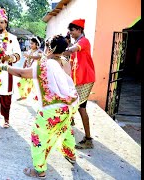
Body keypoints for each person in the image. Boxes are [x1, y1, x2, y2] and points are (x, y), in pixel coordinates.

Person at [0, 35, 79, 178]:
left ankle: (39, 170)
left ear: (51, 48)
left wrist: (4, 66)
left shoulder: (44, 64)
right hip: (67, 107)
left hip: (50, 109)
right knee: (65, 130)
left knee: (38, 137)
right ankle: (71, 155)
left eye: (47, 46)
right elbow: (66, 83)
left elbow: (22, 73)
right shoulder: (65, 62)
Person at [63, 18, 95, 149]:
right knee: (72, 102)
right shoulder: (76, 40)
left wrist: (58, 51)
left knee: (81, 107)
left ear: (80, 30)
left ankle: (88, 139)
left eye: (72, 30)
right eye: (70, 30)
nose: (70, 32)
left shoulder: (83, 41)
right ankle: (71, 120)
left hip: (85, 79)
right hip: (79, 79)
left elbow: (72, 50)